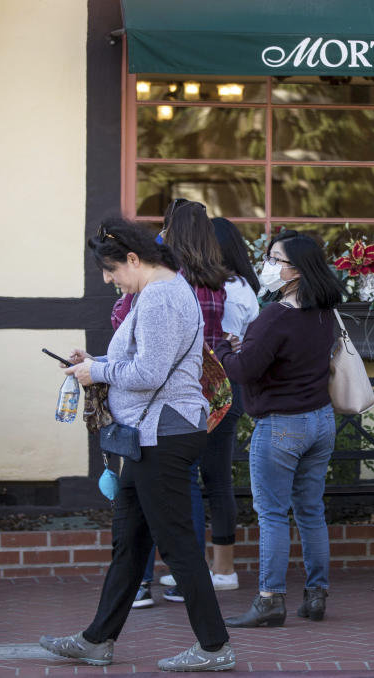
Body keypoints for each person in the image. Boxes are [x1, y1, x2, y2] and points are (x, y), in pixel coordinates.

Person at [40, 218, 234, 672]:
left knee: (178, 545)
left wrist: (98, 372)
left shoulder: (161, 297)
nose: (108, 280)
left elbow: (149, 374)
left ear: (133, 258)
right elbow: (144, 362)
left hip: (162, 436)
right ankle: (97, 640)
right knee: (130, 544)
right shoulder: (155, 293)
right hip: (151, 436)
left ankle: (214, 646)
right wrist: (97, 361)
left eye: (110, 270)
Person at [215, 230, 343, 627]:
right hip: (321, 421)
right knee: (310, 512)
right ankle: (316, 595)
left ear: (297, 270)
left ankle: (271, 599)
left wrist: (222, 349)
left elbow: (243, 370)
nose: (268, 266)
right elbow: (284, 359)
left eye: (276, 259)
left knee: (272, 514)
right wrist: (247, 348)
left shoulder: (274, 316)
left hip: (281, 427)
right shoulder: (325, 312)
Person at [123, 200, 230, 607]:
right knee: (193, 487)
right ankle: (189, 580)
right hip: (210, 396)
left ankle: (143, 582)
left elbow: (126, 322)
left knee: (149, 488)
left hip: (162, 399)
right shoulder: (218, 282)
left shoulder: (164, 284)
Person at [204, 217, 260, 589]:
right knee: (213, 477)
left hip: (220, 387)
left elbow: (226, 341)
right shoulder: (240, 286)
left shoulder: (229, 290)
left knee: (214, 477)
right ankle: (215, 565)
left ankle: (223, 568)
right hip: (223, 387)